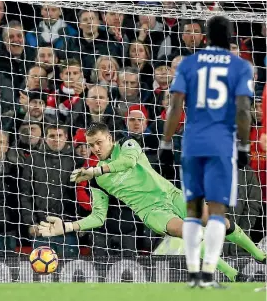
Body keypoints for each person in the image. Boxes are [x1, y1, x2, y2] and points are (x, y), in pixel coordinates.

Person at [37, 122, 266, 282]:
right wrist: (67, 226)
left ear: (109, 139)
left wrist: (95, 170)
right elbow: (98, 217)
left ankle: (260, 256)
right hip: (152, 212)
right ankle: (234, 274)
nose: (95, 149)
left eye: (98, 143)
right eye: (91, 145)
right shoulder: (96, 181)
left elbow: (127, 163)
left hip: (172, 195)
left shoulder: (128, 144)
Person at [161, 16, 257, 288]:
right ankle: (209, 273)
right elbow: (242, 110)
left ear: (205, 37)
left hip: (193, 142)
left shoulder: (189, 64)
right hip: (221, 144)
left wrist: (166, 143)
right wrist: (243, 145)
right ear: (230, 37)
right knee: (216, 211)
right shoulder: (241, 66)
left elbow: (176, 106)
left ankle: (193, 274)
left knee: (192, 210)